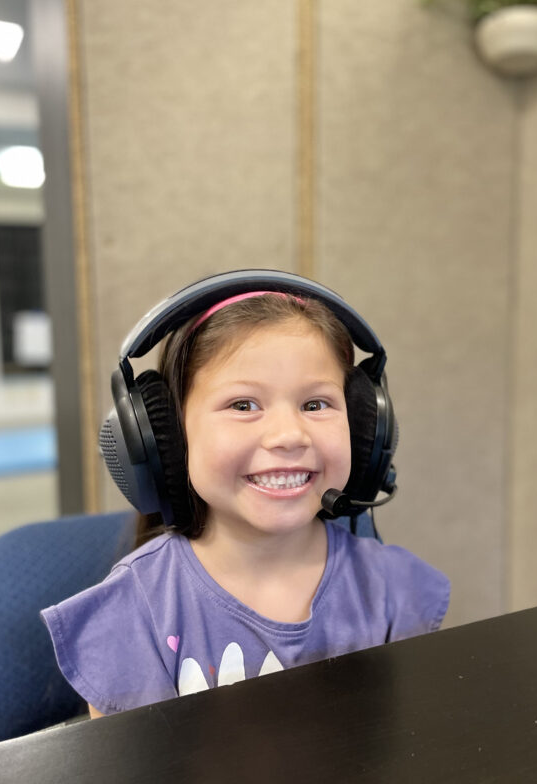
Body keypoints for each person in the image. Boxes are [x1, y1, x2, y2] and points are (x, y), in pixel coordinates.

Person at [41, 273, 450, 717]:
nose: (289, 435)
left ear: (366, 429)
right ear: (169, 441)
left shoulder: (394, 590)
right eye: (243, 405)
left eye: (315, 404)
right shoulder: (133, 616)